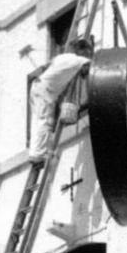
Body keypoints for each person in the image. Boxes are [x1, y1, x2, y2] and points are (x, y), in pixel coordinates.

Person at [28, 34, 93, 163]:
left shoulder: (63, 57)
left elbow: (52, 65)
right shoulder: (78, 60)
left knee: (37, 120)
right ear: (83, 52)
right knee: (45, 121)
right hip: (45, 91)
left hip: (37, 87)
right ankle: (39, 155)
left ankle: (34, 152)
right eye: (87, 52)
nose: (88, 55)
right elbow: (92, 66)